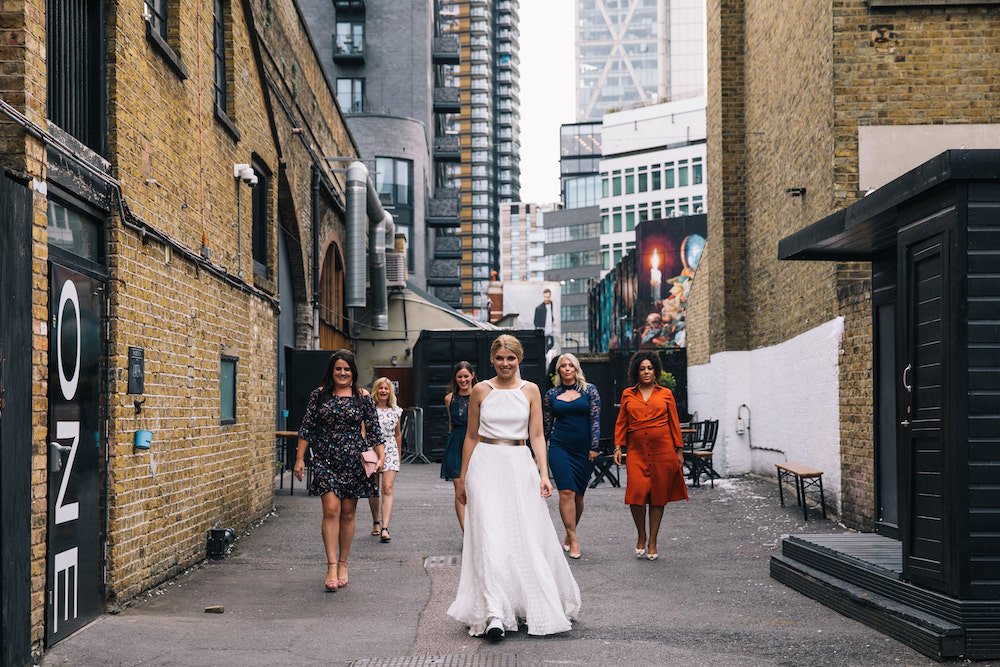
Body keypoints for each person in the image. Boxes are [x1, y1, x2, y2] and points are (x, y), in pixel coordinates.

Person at [448, 335, 581, 642]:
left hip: (519, 464)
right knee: (489, 536)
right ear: (492, 360)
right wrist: (464, 476)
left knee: (523, 535)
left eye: (510, 358)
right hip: (485, 464)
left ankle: (524, 600)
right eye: (499, 358)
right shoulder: (481, 390)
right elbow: (470, 436)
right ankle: (494, 612)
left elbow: (537, 435)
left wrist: (544, 474)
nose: (505, 364)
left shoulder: (531, 390)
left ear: (519, 359)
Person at [294, 349, 385, 591]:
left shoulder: (363, 396)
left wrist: (381, 456)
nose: (342, 373)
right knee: (331, 509)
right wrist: (299, 458)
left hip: (354, 460)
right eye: (338, 369)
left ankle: (344, 562)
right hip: (325, 458)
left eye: (346, 369)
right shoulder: (319, 395)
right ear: (331, 371)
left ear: (353, 372)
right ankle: (331, 564)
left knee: (347, 513)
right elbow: (307, 427)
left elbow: (374, 431)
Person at [613, 351, 687, 561]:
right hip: (636, 451)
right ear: (636, 372)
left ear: (656, 371)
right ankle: (641, 534)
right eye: (642, 369)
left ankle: (653, 540)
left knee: (658, 497)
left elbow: (674, 422)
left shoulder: (665, 394)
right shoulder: (628, 394)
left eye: (650, 368)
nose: (646, 372)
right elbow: (621, 422)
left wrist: (679, 450)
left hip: (663, 451)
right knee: (636, 494)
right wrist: (618, 446)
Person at [542, 353, 601, 559]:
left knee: (578, 496)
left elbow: (595, 420)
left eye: (571, 366)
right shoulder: (551, 394)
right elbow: (547, 426)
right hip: (560, 448)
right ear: (558, 370)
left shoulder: (590, 390)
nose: (567, 369)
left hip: (584, 450)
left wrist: (594, 446)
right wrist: (537, 451)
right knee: (566, 492)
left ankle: (569, 533)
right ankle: (574, 539)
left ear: (576, 369)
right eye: (563, 366)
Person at [440, 361, 476, 531]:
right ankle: (466, 533)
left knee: (474, 489)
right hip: (455, 444)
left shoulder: (479, 395)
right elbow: (451, 424)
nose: (463, 380)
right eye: (460, 376)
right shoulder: (449, 398)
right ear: (455, 378)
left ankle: (476, 529)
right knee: (459, 488)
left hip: (475, 443)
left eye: (466, 376)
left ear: (472, 376)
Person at [366, 377, 402, 544]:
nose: (383, 391)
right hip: (372, 449)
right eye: (380, 388)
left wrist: (399, 455)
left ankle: (385, 528)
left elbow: (398, 434)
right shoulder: (369, 410)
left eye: (386, 389)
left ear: (390, 392)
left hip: (391, 450)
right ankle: (376, 521)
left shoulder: (396, 411)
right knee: (374, 489)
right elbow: (362, 432)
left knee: (387, 488)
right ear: (376, 390)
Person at [533, 288, 556, 353]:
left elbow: (550, 314)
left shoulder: (551, 304)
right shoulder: (539, 308)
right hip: (543, 330)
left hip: (550, 329)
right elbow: (535, 321)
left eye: (548, 297)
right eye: (545, 297)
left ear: (550, 296)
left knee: (552, 343)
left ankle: (545, 353)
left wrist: (553, 320)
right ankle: (544, 355)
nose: (546, 299)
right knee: (545, 345)